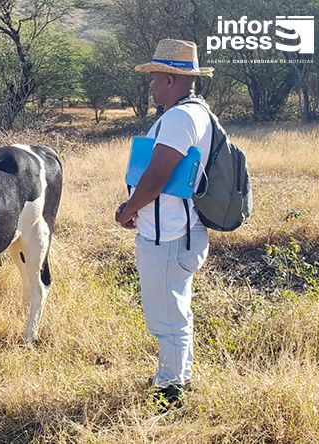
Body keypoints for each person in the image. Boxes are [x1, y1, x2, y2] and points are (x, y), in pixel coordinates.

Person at [115, 39, 214, 412]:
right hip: (183, 229)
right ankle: (178, 374)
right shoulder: (199, 111)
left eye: (155, 78)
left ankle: (171, 390)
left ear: (172, 79)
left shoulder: (177, 118)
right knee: (177, 309)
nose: (152, 85)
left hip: (168, 233)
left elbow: (157, 177)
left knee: (166, 315)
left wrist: (128, 210)